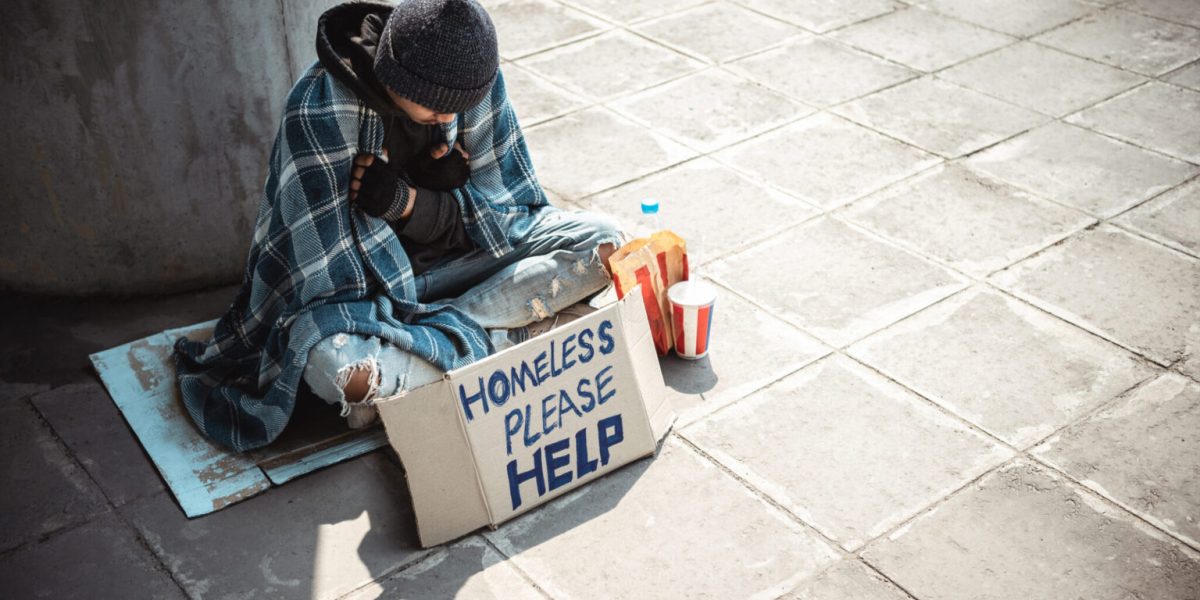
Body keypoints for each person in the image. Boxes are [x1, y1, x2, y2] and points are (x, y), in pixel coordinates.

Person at [172, 0, 622, 451]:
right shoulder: (318, 111)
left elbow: (505, 217)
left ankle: (449, 351)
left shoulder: (470, 84)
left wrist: (414, 202)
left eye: (459, 108)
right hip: (373, 296)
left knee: (604, 244)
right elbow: (330, 281)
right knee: (338, 368)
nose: (449, 119)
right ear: (397, 77)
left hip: (460, 269)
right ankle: (514, 334)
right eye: (435, 108)